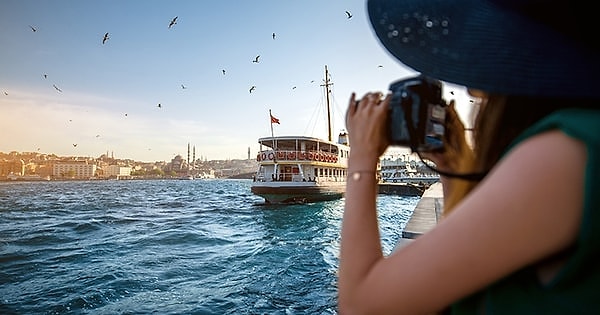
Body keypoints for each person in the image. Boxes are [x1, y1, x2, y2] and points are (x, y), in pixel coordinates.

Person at [338, 0, 600, 314]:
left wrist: (362, 160)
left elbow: (362, 304)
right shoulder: (577, 139)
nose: (473, 93)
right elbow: (479, 245)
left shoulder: (561, 153)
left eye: (479, 87)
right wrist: (453, 166)